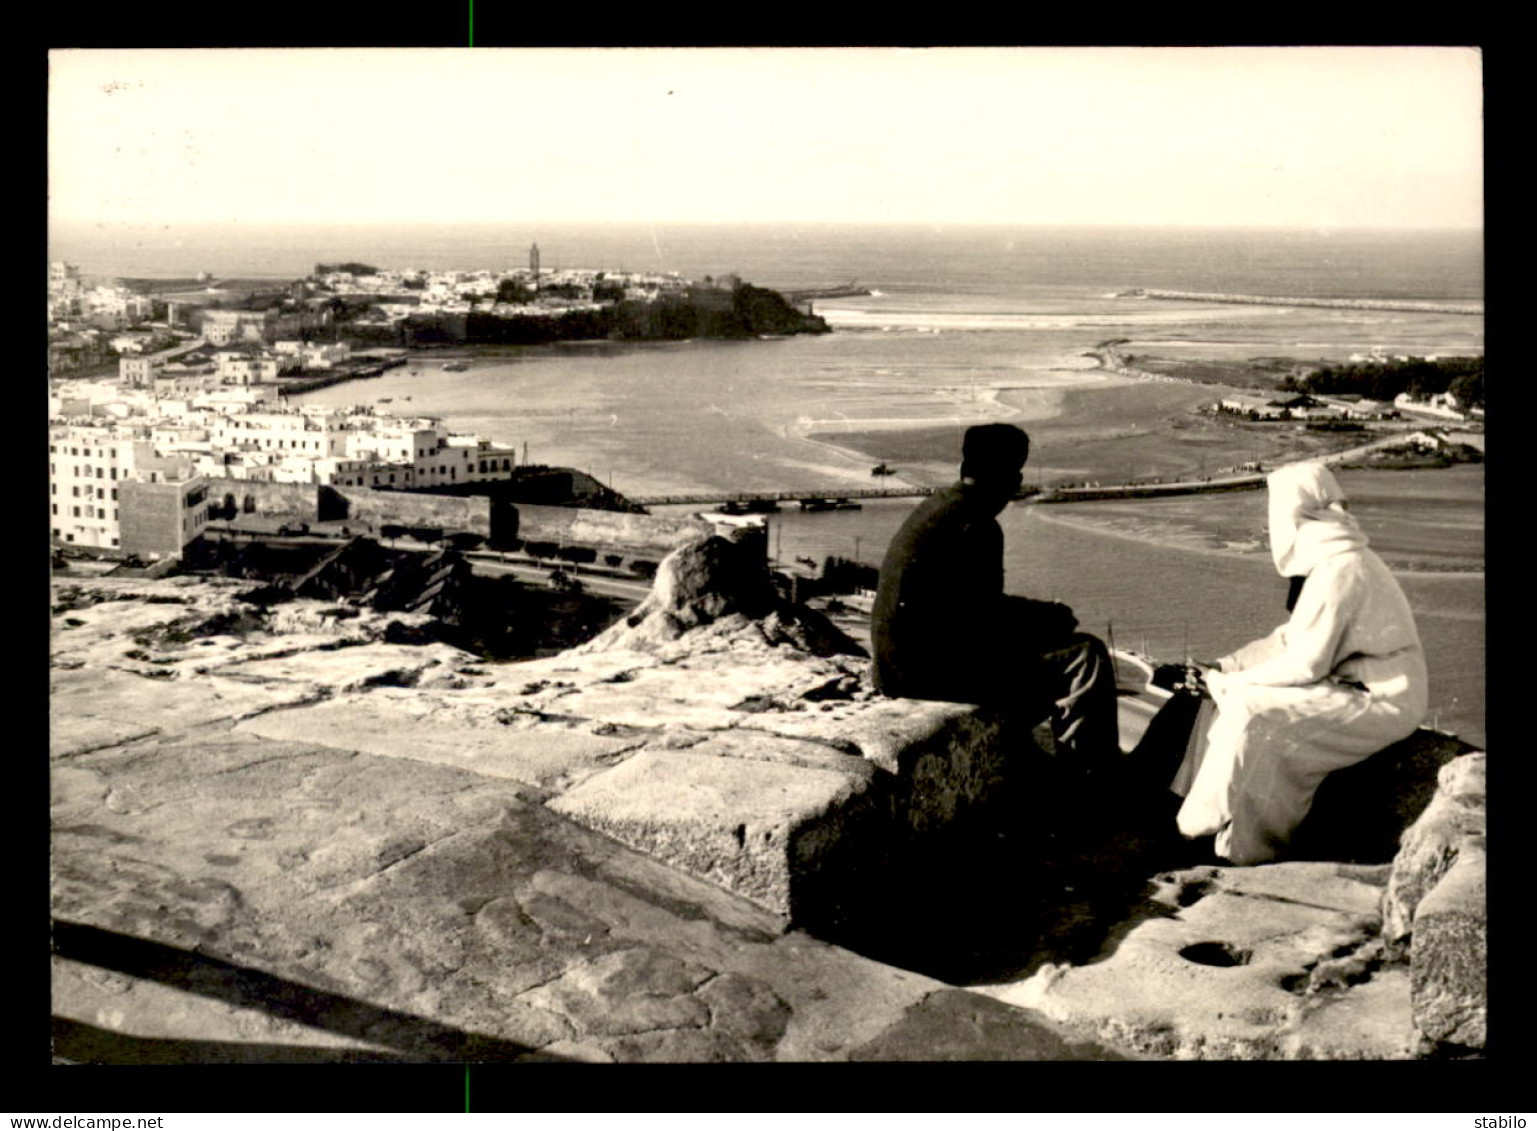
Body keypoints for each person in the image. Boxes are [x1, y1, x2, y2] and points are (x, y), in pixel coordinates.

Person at [1169, 460, 1428, 865]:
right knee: (1227, 701)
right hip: (1344, 687)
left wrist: (1225, 683)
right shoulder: (1333, 563)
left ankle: (1233, 847)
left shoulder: (1343, 570)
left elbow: (1305, 664)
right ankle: (1197, 822)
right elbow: (1289, 640)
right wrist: (1225, 668)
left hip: (1379, 699)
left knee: (1251, 713)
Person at [870, 423, 1120, 770]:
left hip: (895, 667)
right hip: (924, 673)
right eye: (1016, 475)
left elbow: (968, 610)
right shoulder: (978, 525)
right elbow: (984, 618)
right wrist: (1050, 617)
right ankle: (1091, 780)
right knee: (1085, 657)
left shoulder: (938, 508)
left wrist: (1037, 618)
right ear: (1008, 479)